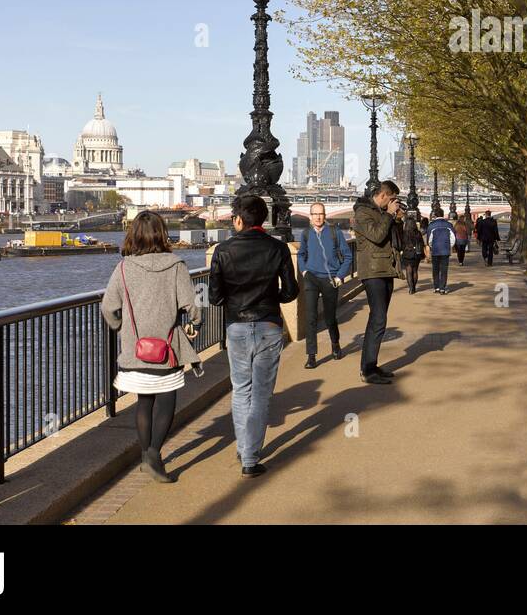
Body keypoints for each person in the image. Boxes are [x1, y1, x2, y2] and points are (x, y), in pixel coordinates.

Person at [101, 210, 202, 484]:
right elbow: (191, 305)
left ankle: (147, 455)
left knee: (144, 402)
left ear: (133, 235)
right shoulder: (176, 265)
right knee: (167, 400)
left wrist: (121, 329)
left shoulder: (123, 268)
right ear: (162, 233)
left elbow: (109, 307)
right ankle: (154, 453)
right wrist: (195, 321)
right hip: (167, 348)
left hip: (136, 349)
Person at [208, 195, 297, 476]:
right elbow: (291, 291)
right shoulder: (278, 248)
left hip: (236, 326)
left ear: (238, 220)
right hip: (269, 324)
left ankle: (243, 447)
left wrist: (235, 301)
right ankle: (249, 457)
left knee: (241, 390)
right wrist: (273, 297)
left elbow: (215, 296)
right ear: (264, 219)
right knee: (261, 394)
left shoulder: (223, 250)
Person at [353, 181, 403, 384]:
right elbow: (377, 235)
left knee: (378, 319)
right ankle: (367, 369)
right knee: (379, 319)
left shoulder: (382, 213)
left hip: (385, 269)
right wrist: (389, 215)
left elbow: (395, 240)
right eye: (392, 200)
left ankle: (371, 366)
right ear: (383, 195)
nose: (393, 204)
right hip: (372, 271)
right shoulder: (363, 213)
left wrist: (397, 220)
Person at [296, 202, 353, 369]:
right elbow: (301, 254)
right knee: (311, 317)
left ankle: (335, 344)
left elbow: (348, 256)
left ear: (325, 215)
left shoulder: (335, 233)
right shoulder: (306, 233)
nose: (318, 217)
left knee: (330, 317)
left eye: (321, 214)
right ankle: (311, 355)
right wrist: (305, 271)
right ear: (310, 216)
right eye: (315, 214)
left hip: (330, 280)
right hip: (311, 279)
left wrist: (339, 276)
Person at [426, 207, 454, 294]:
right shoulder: (449, 225)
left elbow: (429, 240)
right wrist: (449, 246)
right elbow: (453, 238)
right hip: (445, 250)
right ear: (443, 214)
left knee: (435, 269)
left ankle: (436, 287)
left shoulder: (431, 225)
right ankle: (443, 287)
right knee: (444, 270)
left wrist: (432, 246)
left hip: (435, 250)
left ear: (435, 215)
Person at [401, 209, 427, 294]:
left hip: (407, 253)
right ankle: (414, 287)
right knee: (415, 270)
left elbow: (402, 244)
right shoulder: (418, 233)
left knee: (409, 271)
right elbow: (422, 243)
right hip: (417, 253)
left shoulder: (404, 233)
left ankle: (411, 288)